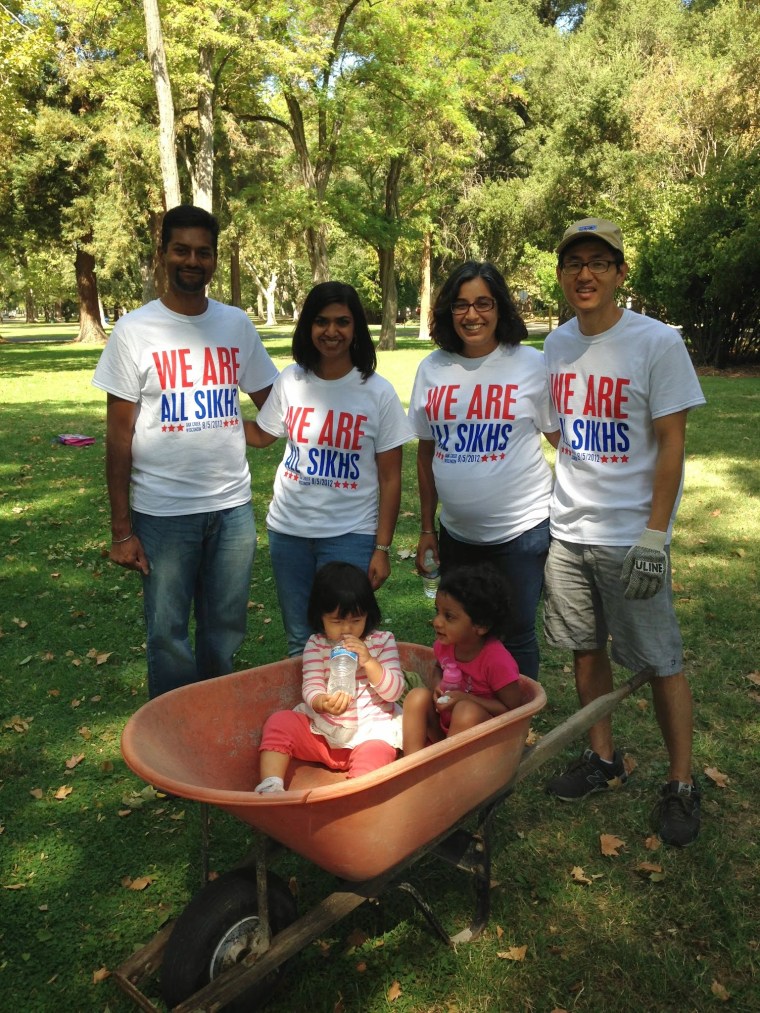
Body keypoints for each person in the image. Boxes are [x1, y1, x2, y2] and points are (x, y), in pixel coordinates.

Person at [542, 217, 706, 847]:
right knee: (586, 649)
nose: (584, 274)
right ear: (562, 275)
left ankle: (682, 782)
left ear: (618, 273)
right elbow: (559, 429)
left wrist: (654, 536)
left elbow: (672, 444)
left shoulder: (657, 342)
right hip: (569, 530)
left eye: (598, 262)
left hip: (630, 536)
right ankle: (603, 759)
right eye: (573, 263)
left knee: (662, 661)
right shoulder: (555, 345)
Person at [92, 205, 279, 698]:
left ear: (215, 259)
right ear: (163, 255)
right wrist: (120, 529)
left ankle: (212, 726)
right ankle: (172, 740)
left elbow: (275, 403)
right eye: (182, 250)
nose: (192, 260)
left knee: (224, 631)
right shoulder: (134, 331)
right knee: (168, 637)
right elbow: (118, 435)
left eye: (203, 251)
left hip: (232, 510)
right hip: (162, 513)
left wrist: (252, 431)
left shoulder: (236, 325)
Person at [243, 281, 414, 656]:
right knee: (299, 640)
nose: (331, 331)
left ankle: (350, 714)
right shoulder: (291, 380)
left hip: (350, 534)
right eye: (321, 321)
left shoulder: (378, 392)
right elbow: (261, 435)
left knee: (348, 640)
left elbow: (390, 477)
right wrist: (216, 418)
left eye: (342, 322)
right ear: (308, 326)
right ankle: (308, 713)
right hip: (288, 532)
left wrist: (382, 547)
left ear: (356, 329)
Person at [407, 262, 559, 681]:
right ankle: (464, 712)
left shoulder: (531, 364)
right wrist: (426, 530)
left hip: (521, 533)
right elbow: (426, 453)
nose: (471, 315)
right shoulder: (431, 369)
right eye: (460, 305)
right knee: (458, 632)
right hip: (456, 536)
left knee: (515, 633)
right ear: (447, 312)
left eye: (482, 303)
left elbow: (560, 439)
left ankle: (516, 725)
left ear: (500, 308)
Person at [255, 562, 405, 792]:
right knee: (279, 722)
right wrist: (321, 702)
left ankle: (353, 794)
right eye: (336, 622)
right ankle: (271, 786)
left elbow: (394, 691)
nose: (347, 629)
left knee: (378, 752)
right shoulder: (317, 644)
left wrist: (369, 662)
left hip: (370, 733)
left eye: (356, 621)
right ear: (320, 617)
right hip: (323, 733)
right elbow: (312, 684)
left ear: (368, 614)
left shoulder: (382, 642)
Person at [402, 564, 522, 755]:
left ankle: (446, 770)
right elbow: (437, 667)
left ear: (481, 626)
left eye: (449, 617)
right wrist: (437, 683)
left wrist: (467, 699)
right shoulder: (445, 645)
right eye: (437, 612)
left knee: (466, 710)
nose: (437, 622)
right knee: (417, 697)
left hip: (483, 743)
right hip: (447, 728)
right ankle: (411, 766)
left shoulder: (496, 661)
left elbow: (515, 710)